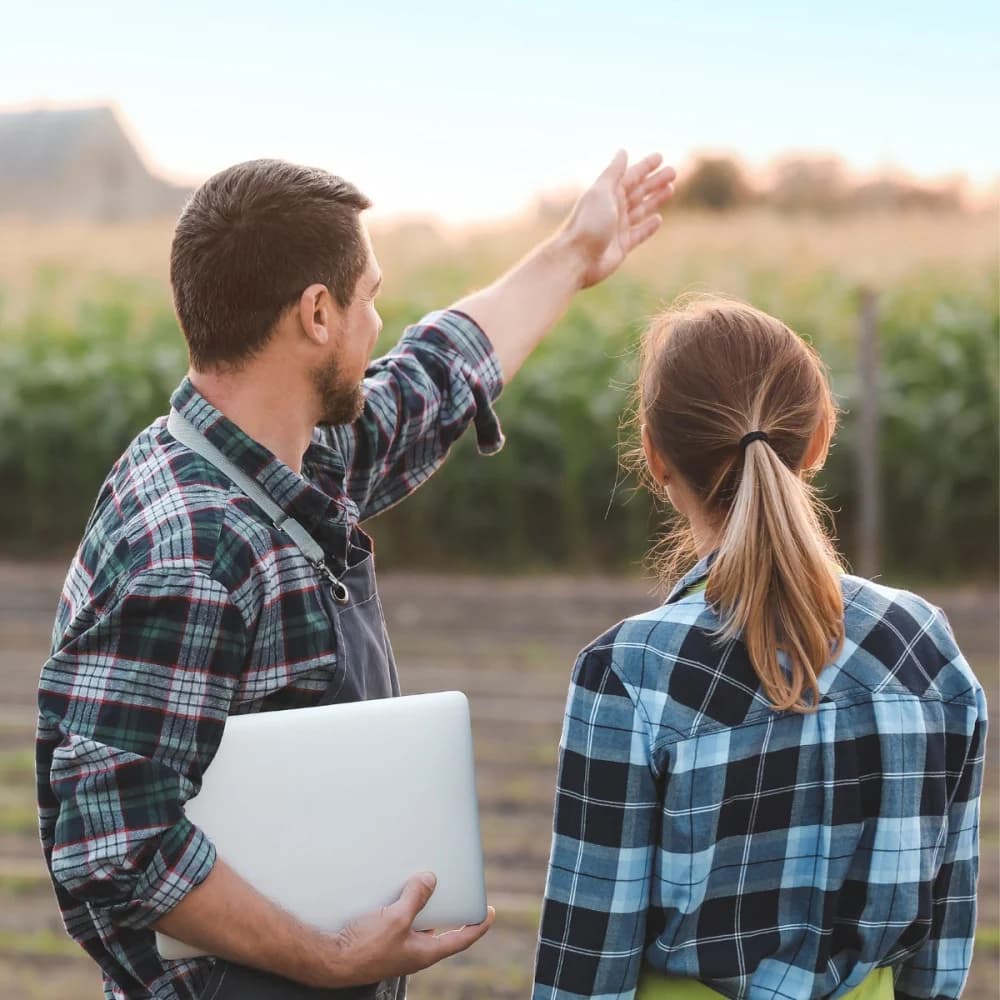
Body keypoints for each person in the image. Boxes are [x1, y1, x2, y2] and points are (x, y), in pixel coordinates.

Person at [35, 151, 676, 1000]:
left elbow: (431, 381)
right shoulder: (193, 554)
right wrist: (326, 957)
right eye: (368, 297)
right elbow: (115, 843)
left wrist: (572, 253)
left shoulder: (275, 451)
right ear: (316, 314)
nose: (378, 322)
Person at [531, 297, 986, 1000]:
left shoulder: (631, 672)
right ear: (819, 439)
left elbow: (585, 967)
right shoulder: (923, 645)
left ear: (654, 457)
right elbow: (942, 943)